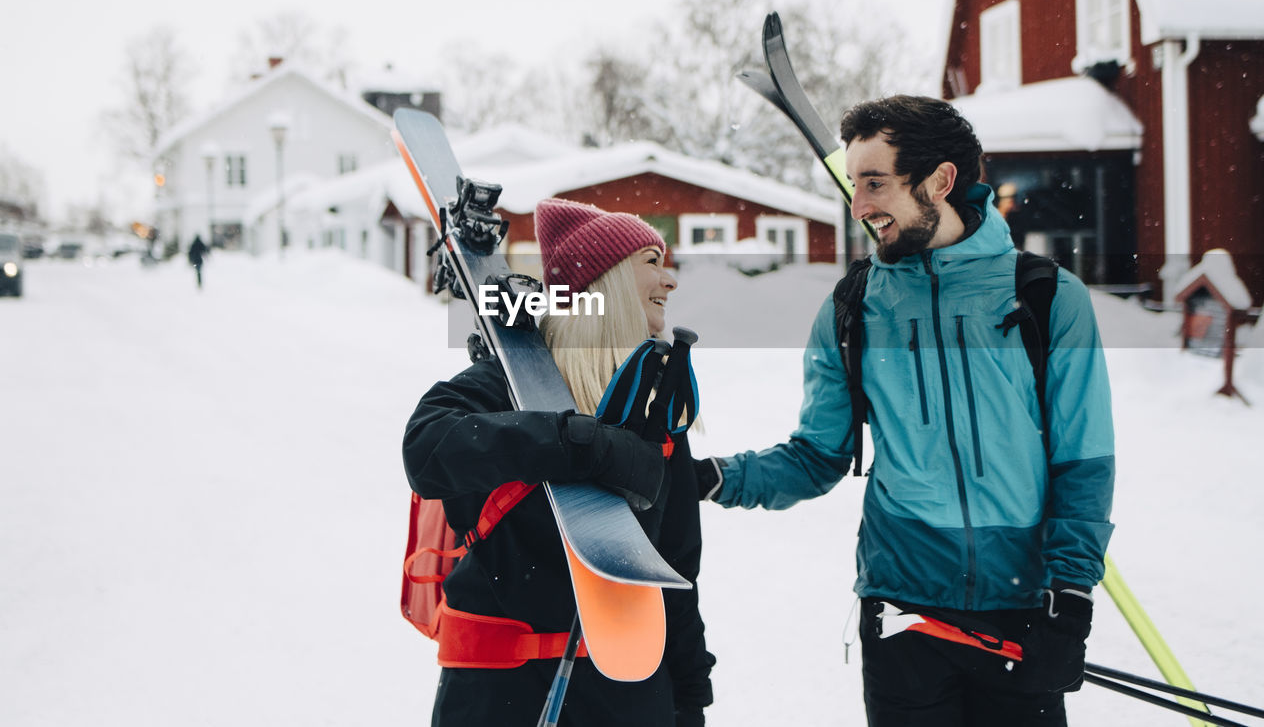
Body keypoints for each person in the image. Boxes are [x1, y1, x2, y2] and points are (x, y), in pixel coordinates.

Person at [694, 95, 1114, 726]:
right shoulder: (854, 307)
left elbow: (1082, 464)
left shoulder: (1046, 296)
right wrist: (708, 477)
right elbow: (816, 457)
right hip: (904, 613)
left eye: (874, 183)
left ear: (941, 181)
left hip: (1021, 609)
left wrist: (1070, 596)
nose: (858, 205)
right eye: (854, 185)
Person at [403, 198, 715, 726]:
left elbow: (676, 574)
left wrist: (690, 698)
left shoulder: (656, 413)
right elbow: (429, 448)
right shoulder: (505, 386)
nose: (670, 280)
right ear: (607, 282)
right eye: (651, 262)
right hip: (497, 695)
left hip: (626, 693)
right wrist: (578, 443)